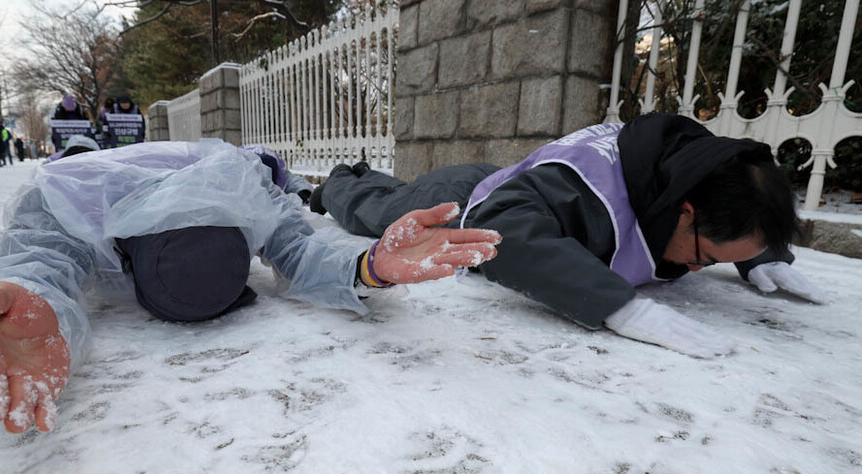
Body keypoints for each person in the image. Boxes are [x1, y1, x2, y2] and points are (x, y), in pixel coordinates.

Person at [0, 139, 502, 434]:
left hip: (159, 166)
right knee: (80, 157)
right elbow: (44, 255)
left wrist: (371, 265)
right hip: (95, 163)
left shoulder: (242, 186)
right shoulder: (77, 187)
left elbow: (300, 246)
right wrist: (23, 289)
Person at [311, 113, 826, 358]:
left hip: (515, 179)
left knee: (396, 195)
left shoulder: (691, 173)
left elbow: (741, 198)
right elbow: (506, 235)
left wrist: (759, 256)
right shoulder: (588, 191)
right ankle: (335, 180)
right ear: (684, 214)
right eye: (705, 258)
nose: (696, 270)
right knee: (375, 213)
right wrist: (622, 306)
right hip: (465, 199)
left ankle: (360, 178)